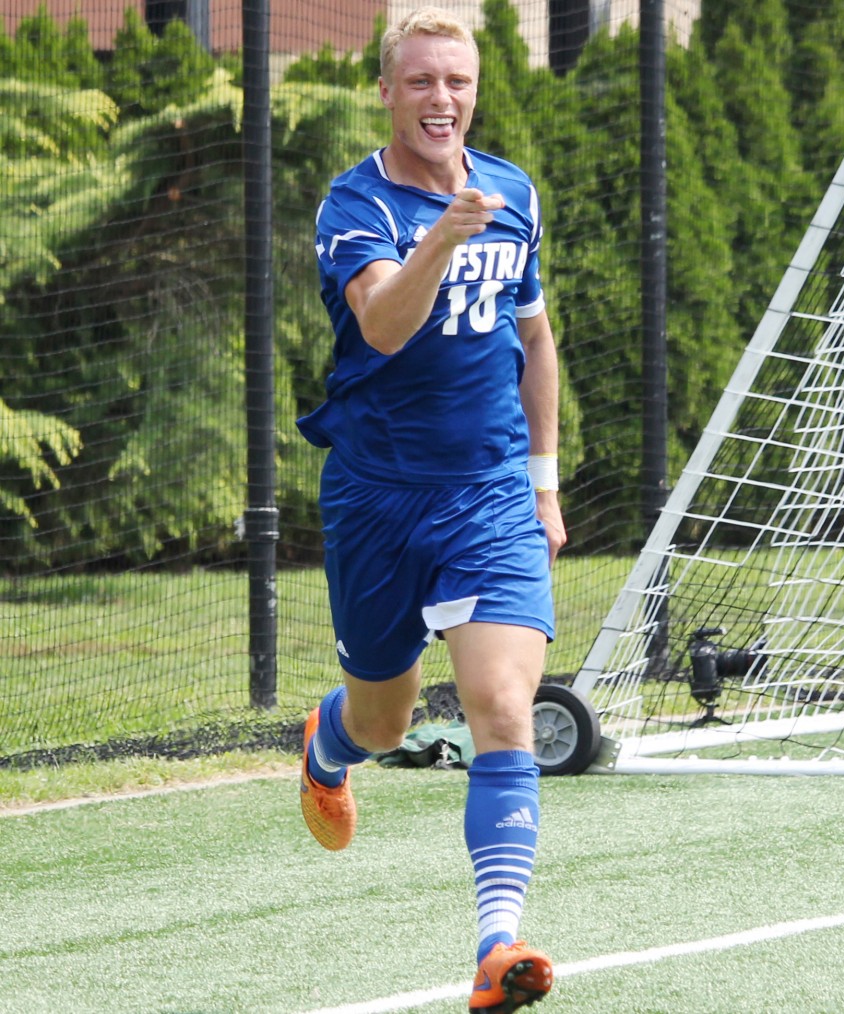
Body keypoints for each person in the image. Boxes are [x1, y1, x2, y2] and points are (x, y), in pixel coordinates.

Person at [295, 7, 566, 1012]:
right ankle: (328, 747)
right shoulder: (351, 205)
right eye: (420, 82)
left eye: (456, 81)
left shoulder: (513, 191)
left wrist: (542, 482)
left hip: (489, 494)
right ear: (386, 90)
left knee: (502, 708)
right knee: (385, 716)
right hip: (376, 496)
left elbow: (535, 342)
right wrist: (443, 243)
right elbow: (384, 324)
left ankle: (498, 949)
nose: (440, 99)